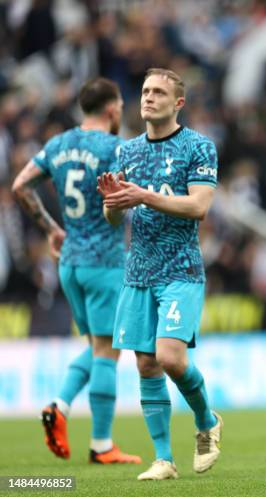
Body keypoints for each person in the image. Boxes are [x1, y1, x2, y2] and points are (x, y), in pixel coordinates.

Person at [98, 68, 222, 481]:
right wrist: (114, 202)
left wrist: (143, 195)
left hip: (181, 269)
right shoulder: (127, 152)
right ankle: (164, 459)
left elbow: (199, 207)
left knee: (170, 357)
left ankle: (206, 420)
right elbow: (114, 218)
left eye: (159, 93)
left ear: (178, 103)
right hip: (139, 272)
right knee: (147, 364)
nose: (148, 98)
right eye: (146, 91)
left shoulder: (198, 147)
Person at [12, 78, 141, 464]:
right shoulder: (115, 148)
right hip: (104, 260)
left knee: (96, 346)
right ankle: (101, 443)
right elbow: (121, 203)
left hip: (69, 261)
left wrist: (51, 228)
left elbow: (21, 186)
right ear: (113, 109)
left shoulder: (57, 144)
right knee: (108, 351)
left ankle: (60, 406)